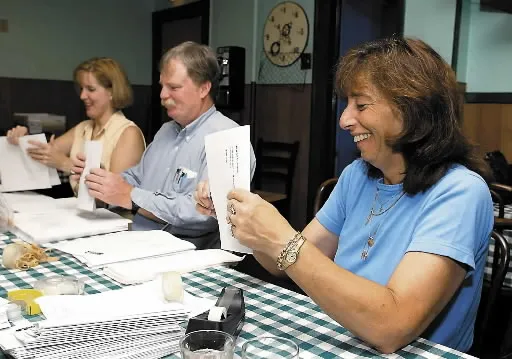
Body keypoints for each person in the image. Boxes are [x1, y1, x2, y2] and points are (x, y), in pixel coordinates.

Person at [195, 37, 494, 353]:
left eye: (361, 105)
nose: (344, 120)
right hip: (347, 339)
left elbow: (392, 327)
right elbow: (283, 264)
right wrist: (238, 218)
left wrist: (283, 239)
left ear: (413, 110)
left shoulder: (460, 193)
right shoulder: (357, 176)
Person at [72, 41, 255, 249]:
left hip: (186, 254)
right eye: (162, 86)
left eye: (174, 87)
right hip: (137, 239)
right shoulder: (166, 131)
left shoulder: (226, 139)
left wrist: (130, 196)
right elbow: (137, 177)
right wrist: (102, 182)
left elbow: (204, 215)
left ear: (204, 88)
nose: (162, 95)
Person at [6, 57, 145, 196]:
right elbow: (45, 154)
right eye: (81, 89)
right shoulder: (83, 128)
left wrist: (66, 164)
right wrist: (23, 140)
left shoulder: (128, 133)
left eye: (90, 89)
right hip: (84, 214)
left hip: (115, 217)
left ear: (112, 92)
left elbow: (118, 194)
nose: (82, 96)